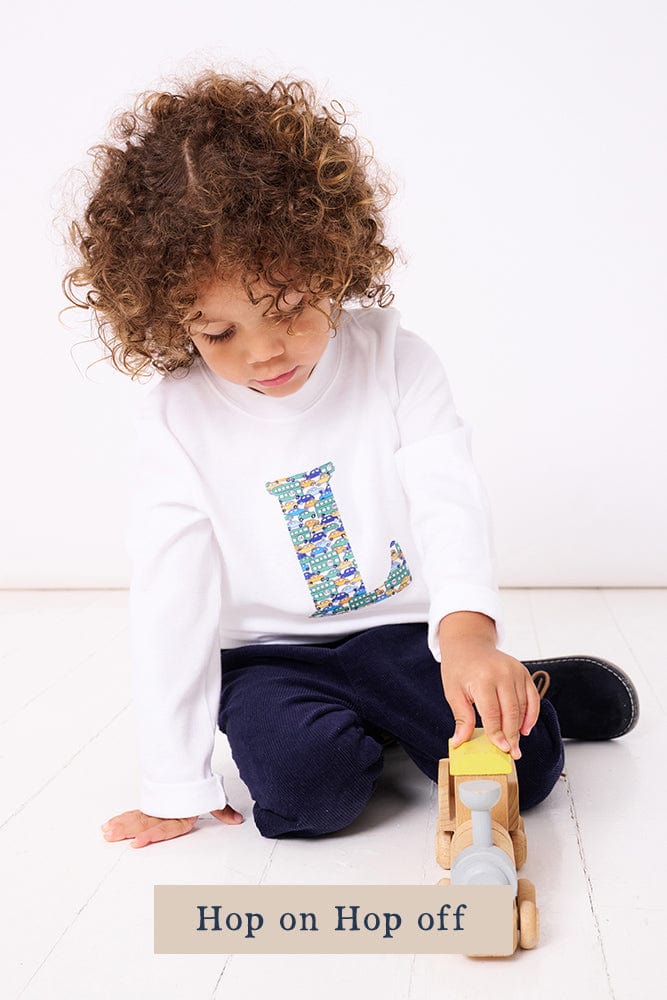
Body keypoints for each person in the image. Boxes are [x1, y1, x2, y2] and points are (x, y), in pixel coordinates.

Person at [61, 69, 639, 849]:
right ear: (171, 321)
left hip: (401, 634)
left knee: (524, 774)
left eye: (287, 309)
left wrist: (464, 638)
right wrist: (176, 783)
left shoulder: (398, 363)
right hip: (268, 661)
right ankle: (401, 721)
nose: (263, 352)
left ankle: (518, 686)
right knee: (310, 796)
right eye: (218, 333)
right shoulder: (177, 419)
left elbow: (446, 503)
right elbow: (172, 598)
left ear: (332, 261)